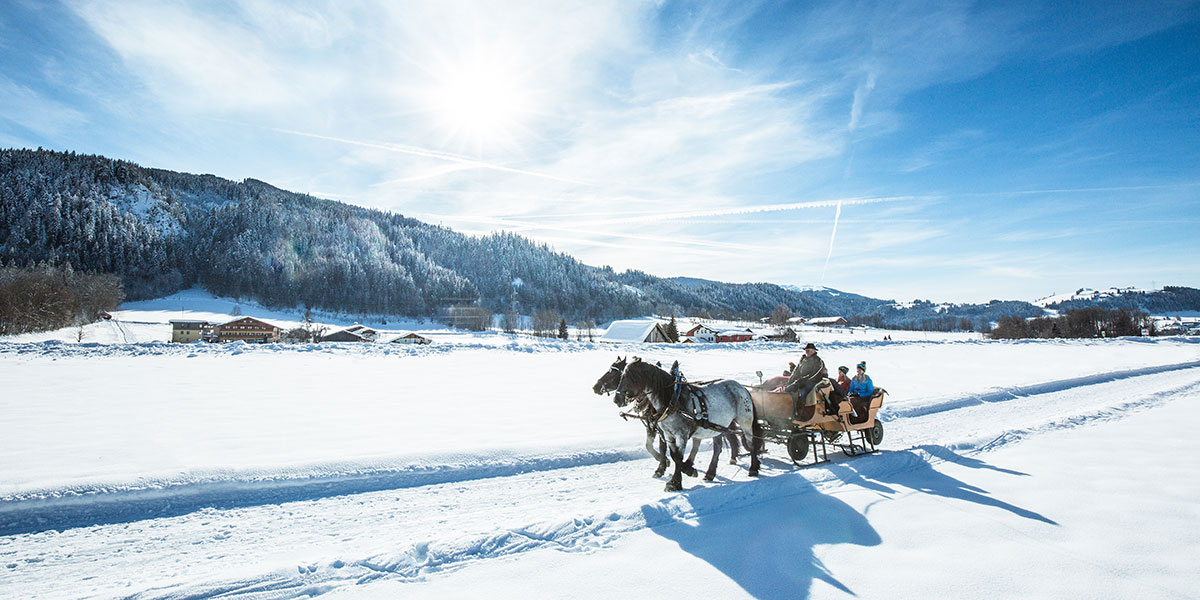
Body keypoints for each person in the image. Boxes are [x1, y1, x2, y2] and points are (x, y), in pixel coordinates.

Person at [773, 342, 826, 418]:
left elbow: (815, 374)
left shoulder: (818, 361)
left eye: (809, 350)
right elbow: (796, 371)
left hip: (813, 381)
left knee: (802, 393)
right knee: (788, 389)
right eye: (806, 350)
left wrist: (803, 381)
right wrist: (791, 380)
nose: (807, 351)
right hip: (801, 380)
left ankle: (799, 413)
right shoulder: (803, 359)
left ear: (814, 351)